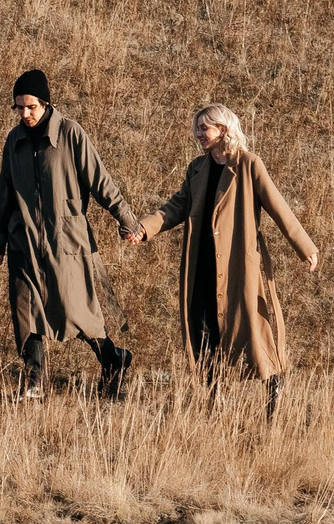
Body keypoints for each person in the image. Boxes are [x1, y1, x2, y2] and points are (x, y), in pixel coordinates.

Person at [125, 103, 319, 414]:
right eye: (197, 128)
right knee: (204, 331)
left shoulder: (248, 165)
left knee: (253, 331)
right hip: (201, 264)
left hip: (239, 265)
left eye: (204, 128)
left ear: (223, 130)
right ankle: (217, 399)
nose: (197, 134)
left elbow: (277, 206)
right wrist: (143, 230)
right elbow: (175, 207)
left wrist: (305, 247)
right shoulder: (197, 169)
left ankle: (273, 387)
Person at [0, 70, 142, 400]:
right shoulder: (13, 141)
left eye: (30, 107)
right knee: (24, 311)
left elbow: (101, 182)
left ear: (45, 103)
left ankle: (113, 360)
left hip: (65, 239)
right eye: (18, 108)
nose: (24, 114)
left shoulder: (70, 134)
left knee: (76, 310)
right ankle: (34, 382)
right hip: (22, 240)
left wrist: (126, 219)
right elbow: (5, 192)